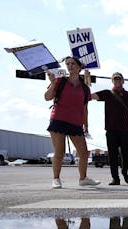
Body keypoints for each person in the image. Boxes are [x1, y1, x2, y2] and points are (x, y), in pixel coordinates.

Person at [44, 56, 100, 189]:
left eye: (73, 64)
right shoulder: (60, 81)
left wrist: (86, 125)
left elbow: (85, 108)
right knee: (60, 152)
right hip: (58, 119)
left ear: (79, 67)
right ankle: (56, 179)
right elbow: (47, 97)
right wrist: (52, 83)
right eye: (67, 64)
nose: (69, 66)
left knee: (84, 152)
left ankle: (83, 178)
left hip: (75, 122)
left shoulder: (85, 88)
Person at [91, 72, 128, 186]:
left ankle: (124, 171)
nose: (117, 81)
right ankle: (115, 178)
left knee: (126, 152)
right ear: (112, 81)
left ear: (123, 81)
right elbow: (90, 96)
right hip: (111, 129)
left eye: (119, 79)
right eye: (115, 79)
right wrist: (86, 81)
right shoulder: (107, 93)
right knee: (113, 155)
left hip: (125, 129)